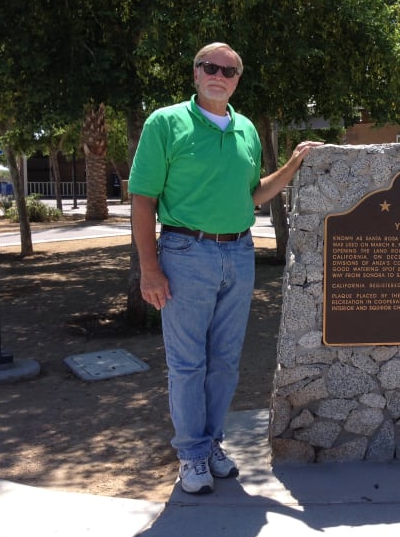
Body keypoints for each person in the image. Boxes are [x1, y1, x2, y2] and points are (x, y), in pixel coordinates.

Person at [128, 42, 320, 494]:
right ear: (195, 73)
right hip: (185, 252)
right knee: (188, 363)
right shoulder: (165, 122)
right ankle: (191, 454)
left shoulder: (247, 130)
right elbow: (143, 200)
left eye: (229, 71)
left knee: (225, 362)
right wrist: (149, 270)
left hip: (239, 253)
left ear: (237, 79)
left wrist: (292, 165)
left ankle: (212, 443)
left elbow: (251, 195)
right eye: (210, 67)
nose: (219, 75)